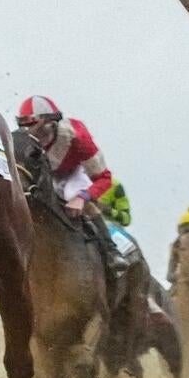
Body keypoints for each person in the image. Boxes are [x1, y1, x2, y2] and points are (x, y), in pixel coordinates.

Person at [16, 95, 132, 297]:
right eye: (30, 131)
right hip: (43, 175)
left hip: (72, 174)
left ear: (53, 123)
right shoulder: (22, 141)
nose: (38, 138)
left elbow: (104, 177)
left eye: (42, 131)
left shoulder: (77, 137)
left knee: (72, 194)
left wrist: (82, 198)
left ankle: (111, 251)